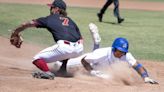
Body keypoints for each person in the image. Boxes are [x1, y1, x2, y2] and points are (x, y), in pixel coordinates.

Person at [10, 0, 83, 80]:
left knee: (37, 59)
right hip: (79, 49)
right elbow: (81, 38)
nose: (50, 9)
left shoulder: (49, 19)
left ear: (57, 9)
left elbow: (27, 24)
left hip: (65, 49)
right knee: (66, 50)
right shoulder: (70, 20)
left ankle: (47, 72)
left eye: (52, 7)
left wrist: (15, 32)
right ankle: (63, 69)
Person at [81, 23, 158, 84]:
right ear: (114, 49)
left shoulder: (126, 55)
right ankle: (96, 42)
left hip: (103, 70)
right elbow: (83, 60)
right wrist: (92, 72)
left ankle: (96, 44)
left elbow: (137, 66)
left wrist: (145, 77)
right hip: (93, 65)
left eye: (124, 51)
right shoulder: (102, 53)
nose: (122, 53)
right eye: (120, 51)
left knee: (106, 76)